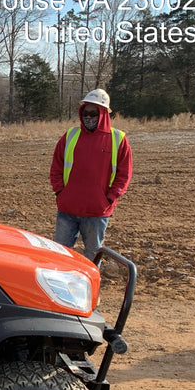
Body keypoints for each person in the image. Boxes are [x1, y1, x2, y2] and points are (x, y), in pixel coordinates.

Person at [49, 89, 132, 262]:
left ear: (103, 114)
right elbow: (56, 165)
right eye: (85, 113)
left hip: (97, 212)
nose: (88, 117)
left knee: (92, 257)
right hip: (67, 209)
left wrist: (109, 198)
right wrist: (60, 193)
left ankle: (88, 287)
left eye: (93, 113)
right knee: (59, 256)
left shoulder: (118, 139)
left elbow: (124, 174)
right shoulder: (70, 136)